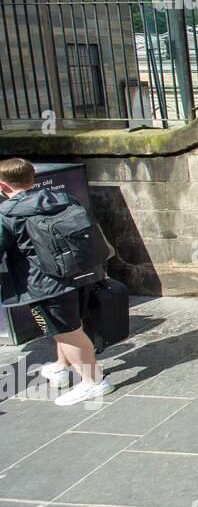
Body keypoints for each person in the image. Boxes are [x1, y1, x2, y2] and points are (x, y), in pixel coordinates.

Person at [0, 158, 113, 406]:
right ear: (32, 177)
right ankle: (62, 367)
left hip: (45, 284)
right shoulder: (61, 198)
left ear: (3, 186)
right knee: (71, 324)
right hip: (80, 273)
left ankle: (94, 382)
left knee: (67, 331)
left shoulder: (6, 214)